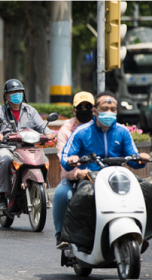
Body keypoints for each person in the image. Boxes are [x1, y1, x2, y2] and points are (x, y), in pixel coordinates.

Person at [58, 91, 151, 249]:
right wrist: (71, 160)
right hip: (90, 179)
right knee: (83, 195)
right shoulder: (81, 132)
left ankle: (144, 234)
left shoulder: (122, 132)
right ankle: (78, 239)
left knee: (147, 189)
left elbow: (134, 159)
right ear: (95, 111)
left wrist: (141, 159)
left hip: (118, 179)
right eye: (105, 108)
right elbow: (66, 158)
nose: (109, 112)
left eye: (113, 109)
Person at [0, 79, 55, 209]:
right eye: (13, 92)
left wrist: (49, 133)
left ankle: (44, 192)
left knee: (44, 159)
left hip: (28, 147)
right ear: (6, 95)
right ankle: (1, 194)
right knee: (5, 159)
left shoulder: (30, 111)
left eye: (19, 91)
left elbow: (42, 127)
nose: (17, 94)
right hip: (6, 147)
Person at [52, 91, 95, 246]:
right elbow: (63, 159)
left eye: (88, 106)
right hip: (74, 177)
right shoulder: (66, 130)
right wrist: (77, 173)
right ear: (74, 110)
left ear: (94, 109)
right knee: (62, 194)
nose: (84, 109)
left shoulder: (99, 126)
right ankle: (61, 234)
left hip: (99, 176)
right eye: (80, 107)